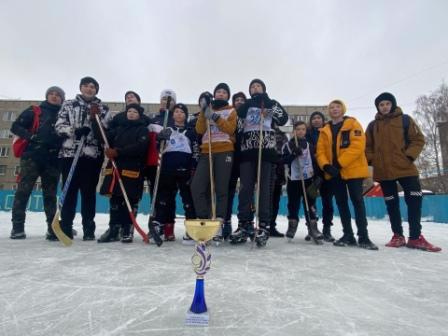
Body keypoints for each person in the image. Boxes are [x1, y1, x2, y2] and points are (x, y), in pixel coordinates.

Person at [365, 92, 441, 252]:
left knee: (414, 201)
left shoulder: (405, 120)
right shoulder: (373, 126)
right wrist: (372, 160)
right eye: (381, 104)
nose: (384, 107)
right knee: (391, 204)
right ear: (378, 107)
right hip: (384, 171)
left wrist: (409, 156)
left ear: (392, 104)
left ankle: (415, 237)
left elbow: (418, 139)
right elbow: (367, 147)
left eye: (387, 103)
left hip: (406, 169)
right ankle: (397, 236)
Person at [230, 79, 288, 247]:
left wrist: (269, 105)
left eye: (258, 86)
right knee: (246, 189)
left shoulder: (271, 103)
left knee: (264, 190)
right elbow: (237, 123)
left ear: (263, 88)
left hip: (266, 152)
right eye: (252, 87)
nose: (255, 88)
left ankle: (263, 225)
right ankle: (244, 223)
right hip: (247, 152)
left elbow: (283, 119)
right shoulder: (246, 105)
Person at [316, 99, 378, 250]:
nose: (334, 109)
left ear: (342, 109)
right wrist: (326, 166)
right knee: (341, 203)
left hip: (353, 170)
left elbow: (357, 147)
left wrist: (339, 164)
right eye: (331, 107)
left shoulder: (353, 124)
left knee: (357, 201)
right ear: (328, 112)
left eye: (337, 107)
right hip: (334, 174)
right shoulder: (325, 130)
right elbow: (320, 151)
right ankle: (348, 235)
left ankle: (363, 237)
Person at [55, 76, 110, 241]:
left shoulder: (102, 108)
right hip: (70, 154)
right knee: (69, 192)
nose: (89, 89)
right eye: (86, 86)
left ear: (96, 90)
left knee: (88, 194)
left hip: (92, 156)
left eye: (93, 87)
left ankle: (88, 228)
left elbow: (106, 130)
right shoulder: (69, 104)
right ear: (81, 88)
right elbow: (59, 126)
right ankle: (65, 227)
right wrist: (74, 130)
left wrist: (94, 124)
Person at [9, 86, 65, 240]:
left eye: (58, 95)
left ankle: (52, 228)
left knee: (50, 195)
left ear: (62, 99)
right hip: (32, 157)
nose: (54, 97)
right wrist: (31, 137)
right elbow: (15, 127)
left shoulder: (64, 114)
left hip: (53, 159)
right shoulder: (35, 111)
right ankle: (17, 227)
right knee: (23, 191)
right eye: (51, 94)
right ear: (46, 96)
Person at [96, 104, 149, 243]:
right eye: (129, 111)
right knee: (115, 200)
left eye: (135, 112)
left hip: (132, 169)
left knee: (129, 200)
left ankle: (127, 228)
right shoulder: (118, 128)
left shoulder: (142, 129)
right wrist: (94, 121)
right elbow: (103, 137)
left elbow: (140, 147)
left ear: (140, 115)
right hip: (115, 168)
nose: (131, 113)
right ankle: (114, 228)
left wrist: (118, 152)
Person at [191, 83, 237, 242]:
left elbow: (230, 129)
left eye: (224, 92)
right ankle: (204, 219)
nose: (221, 94)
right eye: (219, 91)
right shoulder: (207, 109)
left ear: (227, 96)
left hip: (224, 150)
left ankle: (218, 224)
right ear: (214, 94)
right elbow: (199, 130)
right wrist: (204, 112)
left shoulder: (231, 110)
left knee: (221, 188)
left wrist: (215, 117)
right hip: (207, 151)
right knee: (197, 186)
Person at [152, 103, 198, 243]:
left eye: (182, 112)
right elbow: (158, 148)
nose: (179, 114)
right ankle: (159, 226)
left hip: (185, 169)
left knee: (188, 199)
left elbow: (195, 151)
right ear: (173, 115)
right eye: (176, 112)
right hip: (168, 168)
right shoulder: (167, 130)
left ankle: (191, 228)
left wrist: (193, 168)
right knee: (164, 198)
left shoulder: (191, 131)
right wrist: (159, 139)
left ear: (186, 115)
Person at [145, 89, 177, 239]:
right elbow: (149, 142)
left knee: (170, 195)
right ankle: (155, 226)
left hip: (170, 162)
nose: (167, 102)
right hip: (155, 163)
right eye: (164, 99)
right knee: (156, 195)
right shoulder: (153, 120)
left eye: (170, 100)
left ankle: (169, 226)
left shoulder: (176, 119)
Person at [283, 121, 321, 240]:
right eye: (298, 129)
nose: (300, 131)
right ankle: (292, 226)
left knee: (311, 204)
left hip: (309, 179)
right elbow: (282, 161)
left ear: (306, 131)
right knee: (293, 204)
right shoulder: (288, 145)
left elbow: (315, 161)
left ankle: (313, 227)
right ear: (294, 131)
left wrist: (318, 176)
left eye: (303, 129)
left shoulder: (310, 145)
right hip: (294, 180)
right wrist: (293, 154)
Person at [306, 111, 335, 242]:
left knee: (327, 201)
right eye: (314, 118)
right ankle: (312, 229)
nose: (316, 120)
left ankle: (327, 229)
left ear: (323, 120)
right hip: (312, 172)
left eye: (319, 118)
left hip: (326, 171)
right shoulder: (307, 134)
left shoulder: (328, 133)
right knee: (310, 202)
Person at [223, 91, 247, 239]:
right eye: (236, 99)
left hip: (245, 158)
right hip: (230, 157)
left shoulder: (250, 115)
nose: (239, 102)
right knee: (228, 190)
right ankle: (226, 221)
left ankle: (244, 223)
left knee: (245, 192)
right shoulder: (230, 114)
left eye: (241, 99)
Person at [270, 123, 288, 237]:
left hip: (279, 168)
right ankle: (264, 224)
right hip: (268, 165)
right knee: (266, 199)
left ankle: (271, 225)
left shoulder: (284, 135)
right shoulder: (264, 131)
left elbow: (286, 152)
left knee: (275, 199)